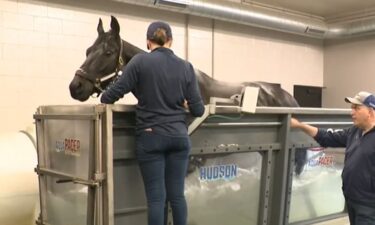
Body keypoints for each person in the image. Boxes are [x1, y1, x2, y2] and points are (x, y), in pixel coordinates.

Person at [100, 21, 205, 225]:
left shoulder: (139, 62)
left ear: (148, 42)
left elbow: (109, 97)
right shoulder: (186, 67)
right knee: (177, 196)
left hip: (151, 137)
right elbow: (199, 110)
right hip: (179, 138)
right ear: (170, 41)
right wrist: (183, 103)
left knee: (156, 199)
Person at [291, 91, 375, 225]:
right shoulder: (354, 131)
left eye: (357, 108)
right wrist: (300, 125)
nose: (351, 112)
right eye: (351, 108)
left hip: (369, 206)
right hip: (352, 200)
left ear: (370, 112)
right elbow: (327, 137)